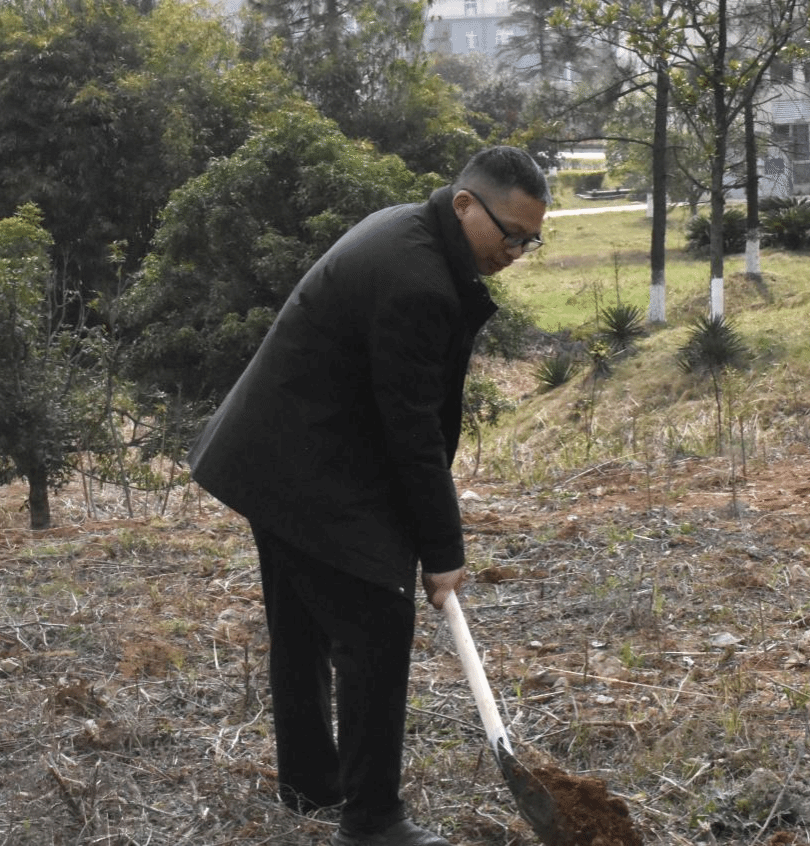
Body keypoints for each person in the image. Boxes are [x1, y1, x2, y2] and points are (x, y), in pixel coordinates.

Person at [187, 146, 550, 846]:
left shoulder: (409, 229)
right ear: (465, 205)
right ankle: (373, 821)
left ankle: (310, 783)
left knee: (302, 624)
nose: (515, 253)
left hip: (279, 449)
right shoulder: (419, 282)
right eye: (510, 235)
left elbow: (395, 417)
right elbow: (412, 432)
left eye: (529, 241)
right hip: (300, 459)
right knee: (377, 624)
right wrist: (442, 550)